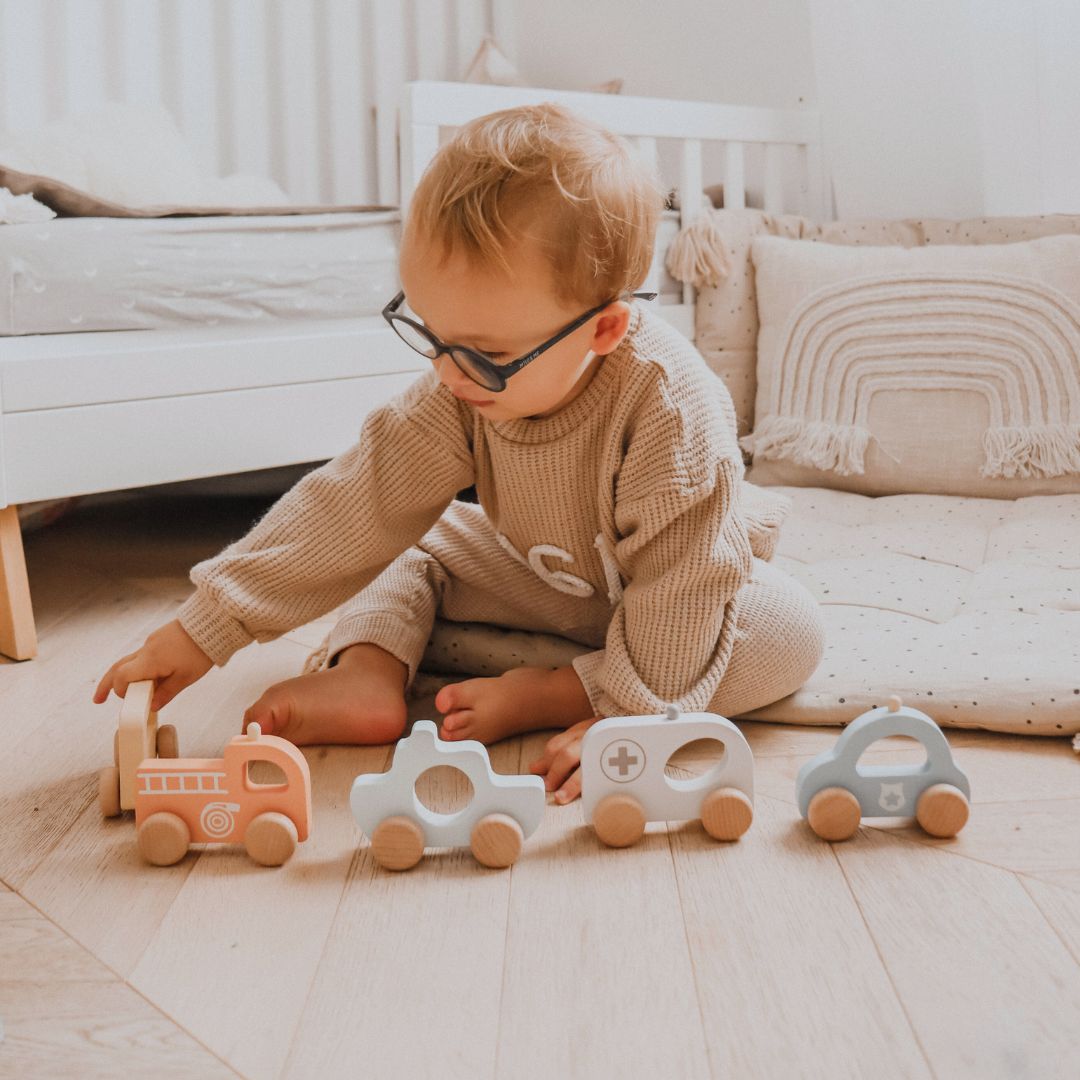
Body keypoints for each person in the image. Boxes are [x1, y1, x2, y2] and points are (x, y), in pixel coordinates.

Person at [94, 102, 825, 803]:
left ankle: (565, 688)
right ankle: (368, 673)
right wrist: (205, 626)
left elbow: (682, 581)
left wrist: (628, 722)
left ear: (602, 331)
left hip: (675, 582)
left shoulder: (671, 409)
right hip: (550, 575)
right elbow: (358, 500)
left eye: (487, 354)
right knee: (408, 545)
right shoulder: (459, 384)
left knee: (788, 632)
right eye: (434, 336)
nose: (447, 372)